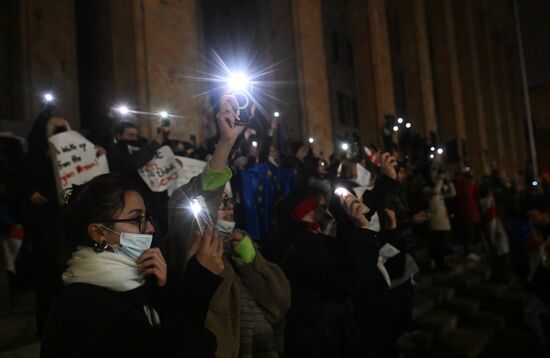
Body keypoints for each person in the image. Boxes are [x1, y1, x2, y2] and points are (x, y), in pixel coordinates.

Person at [41, 173, 224, 357]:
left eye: (147, 217)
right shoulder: (80, 309)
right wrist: (197, 288)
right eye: (136, 219)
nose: (150, 228)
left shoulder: (142, 279)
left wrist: (167, 288)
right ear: (98, 232)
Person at [16, 112, 78, 335]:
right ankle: (49, 328)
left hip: (67, 224)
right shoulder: (32, 159)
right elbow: (20, 183)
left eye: (64, 130)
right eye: (55, 131)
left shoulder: (69, 158)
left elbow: (73, 190)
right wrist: (29, 193)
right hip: (45, 226)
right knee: (48, 279)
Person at [107, 121, 171, 238]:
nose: (134, 139)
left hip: (154, 202)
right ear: (118, 136)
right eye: (130, 135)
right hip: (133, 205)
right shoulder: (114, 152)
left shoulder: (142, 147)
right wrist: (154, 144)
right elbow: (132, 163)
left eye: (136, 135)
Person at [423, 169, 456, 271]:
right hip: (435, 221)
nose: (436, 179)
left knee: (442, 243)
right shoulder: (427, 189)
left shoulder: (439, 188)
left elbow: (453, 193)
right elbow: (435, 192)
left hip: (442, 220)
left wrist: (449, 181)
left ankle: (442, 264)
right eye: (434, 177)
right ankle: (439, 265)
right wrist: (440, 180)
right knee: (437, 245)